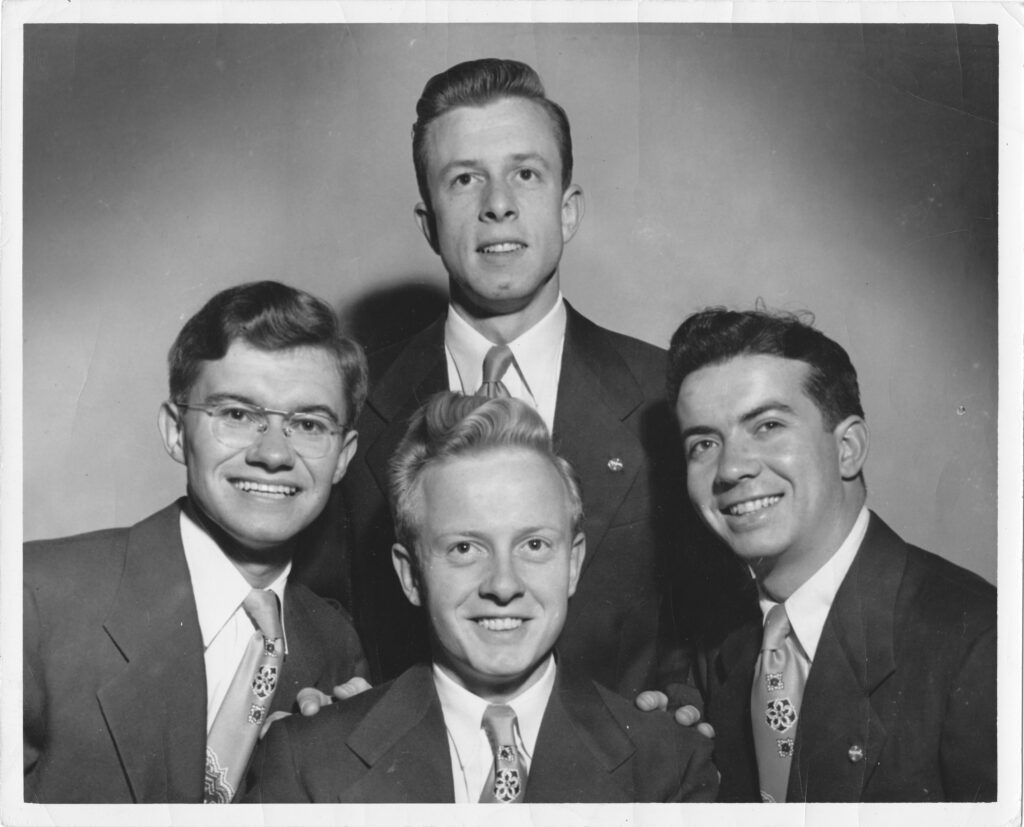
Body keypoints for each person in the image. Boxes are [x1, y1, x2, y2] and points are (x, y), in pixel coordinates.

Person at [295, 57, 733, 706]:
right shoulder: (350, 402)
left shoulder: (665, 397)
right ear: (429, 224)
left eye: (525, 174)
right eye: (464, 179)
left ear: (568, 209)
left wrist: (682, 706)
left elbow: (719, 618)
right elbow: (317, 608)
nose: (497, 205)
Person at [247, 393, 718, 803]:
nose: (503, 584)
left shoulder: (670, 765)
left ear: (572, 564)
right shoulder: (308, 760)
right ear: (411, 575)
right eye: (464, 549)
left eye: (534, 545)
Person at [23, 281, 370, 803]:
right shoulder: (35, 599)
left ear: (342, 457)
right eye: (237, 415)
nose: (274, 454)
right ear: (175, 431)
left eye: (308, 423)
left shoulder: (335, 646)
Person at [667, 307, 996, 802]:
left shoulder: (980, 643)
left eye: (767, 426)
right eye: (704, 443)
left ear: (848, 448)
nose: (731, 469)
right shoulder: (718, 641)